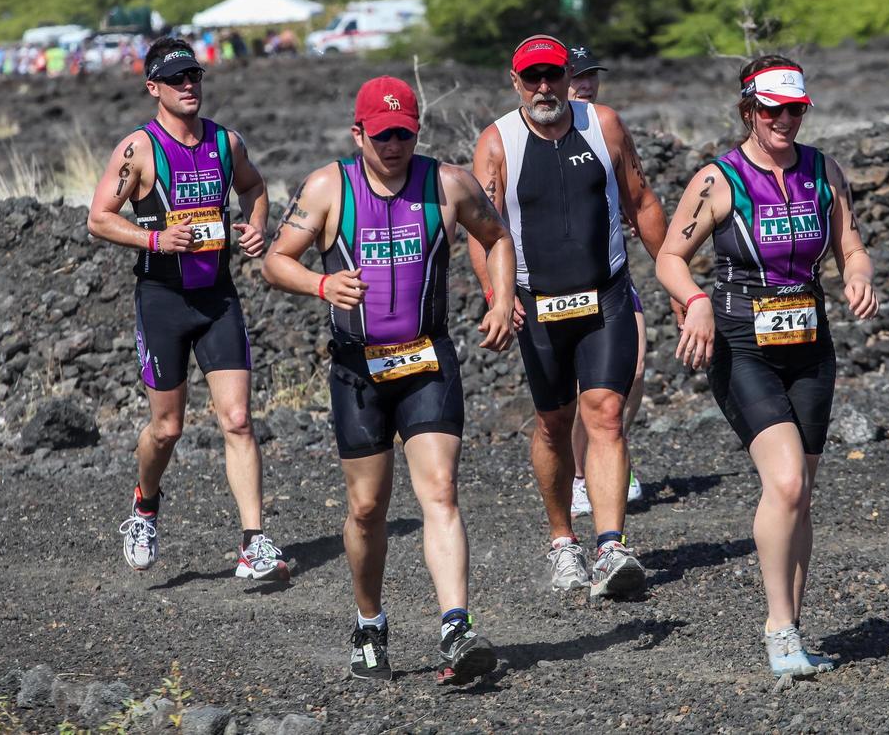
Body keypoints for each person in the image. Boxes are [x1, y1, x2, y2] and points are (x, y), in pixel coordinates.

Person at [262, 76, 516, 685]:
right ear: (359, 134)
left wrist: (501, 298)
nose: (395, 146)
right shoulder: (329, 188)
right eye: (383, 136)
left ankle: (456, 625)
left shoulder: (447, 183)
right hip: (358, 368)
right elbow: (275, 262)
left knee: (441, 489)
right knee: (368, 507)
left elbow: (498, 237)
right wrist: (321, 284)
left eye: (404, 134)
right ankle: (370, 622)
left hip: (428, 357)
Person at [655, 55, 878, 677]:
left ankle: (795, 630)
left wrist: (858, 274)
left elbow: (850, 243)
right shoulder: (718, 179)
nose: (785, 120)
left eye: (796, 110)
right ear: (749, 110)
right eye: (773, 110)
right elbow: (670, 257)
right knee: (783, 482)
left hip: (810, 344)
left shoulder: (824, 171)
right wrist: (694, 300)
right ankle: (778, 630)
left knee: (801, 494)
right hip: (740, 344)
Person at [469, 35, 671, 599]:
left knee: (606, 413)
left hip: (604, 293)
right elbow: (480, 234)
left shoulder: (602, 125)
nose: (543, 88)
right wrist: (497, 297)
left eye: (552, 76)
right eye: (531, 78)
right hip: (536, 305)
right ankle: (563, 541)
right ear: (515, 82)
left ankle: (611, 546)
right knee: (555, 424)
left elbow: (643, 201)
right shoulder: (497, 144)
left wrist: (677, 281)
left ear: (566, 76)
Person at [86, 37, 289, 583]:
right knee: (168, 427)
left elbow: (255, 188)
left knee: (239, 420)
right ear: (153, 88)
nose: (188, 86)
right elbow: (99, 218)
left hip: (217, 296)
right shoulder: (139, 150)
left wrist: (256, 225)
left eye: (194, 76)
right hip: (163, 301)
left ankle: (254, 543)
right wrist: (156, 242)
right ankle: (145, 506)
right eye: (176, 80)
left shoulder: (226, 143)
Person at [563, 45, 646, 518]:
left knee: (632, 373)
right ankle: (579, 477)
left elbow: (633, 190)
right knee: (583, 391)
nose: (586, 84)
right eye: (577, 76)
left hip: (613, 275)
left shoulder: (606, 126)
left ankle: (611, 454)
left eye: (591, 75)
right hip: (559, 286)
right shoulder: (533, 135)